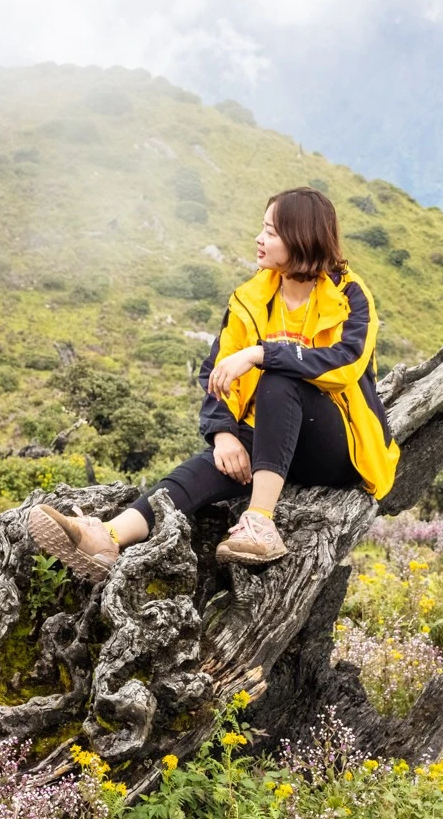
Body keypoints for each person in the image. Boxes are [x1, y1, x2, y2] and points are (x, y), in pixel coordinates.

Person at [31, 186, 399, 579]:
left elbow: (346, 363)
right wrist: (223, 433)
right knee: (200, 471)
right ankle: (107, 538)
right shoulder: (252, 297)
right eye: (263, 228)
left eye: (272, 232)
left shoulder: (349, 293)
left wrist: (261, 353)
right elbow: (217, 373)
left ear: (301, 238)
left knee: (279, 377)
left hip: (339, 448)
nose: (260, 239)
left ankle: (259, 523)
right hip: (275, 439)